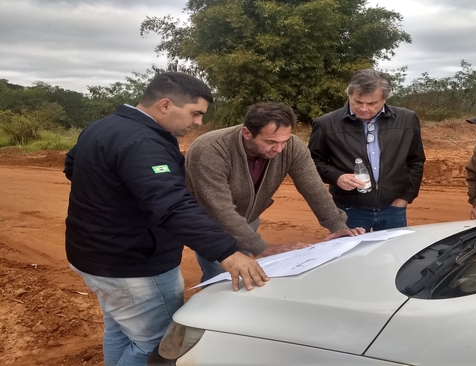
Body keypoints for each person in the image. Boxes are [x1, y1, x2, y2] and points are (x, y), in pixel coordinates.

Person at [64, 72, 268, 366]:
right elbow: (173, 205)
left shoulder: (103, 127)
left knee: (121, 329)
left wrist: (114, 197)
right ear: (165, 105)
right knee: (155, 343)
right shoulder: (143, 143)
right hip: (133, 265)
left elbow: (73, 167)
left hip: (94, 255)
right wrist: (227, 252)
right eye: (195, 113)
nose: (198, 122)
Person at [185, 102, 365, 282]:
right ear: (247, 133)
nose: (279, 149)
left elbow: (314, 189)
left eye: (283, 141)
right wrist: (264, 248)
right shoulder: (210, 150)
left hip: (248, 218)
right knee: (222, 277)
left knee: (244, 268)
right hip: (211, 224)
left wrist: (338, 226)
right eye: (271, 142)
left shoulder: (292, 147)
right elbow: (219, 209)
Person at [308, 69, 426, 232]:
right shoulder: (325, 124)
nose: (363, 108)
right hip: (349, 208)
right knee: (351, 256)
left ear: (385, 99)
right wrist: (337, 177)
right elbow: (313, 162)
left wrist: (406, 197)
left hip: (393, 208)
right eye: (357, 101)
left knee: (392, 255)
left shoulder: (407, 119)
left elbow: (415, 160)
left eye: (371, 103)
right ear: (349, 95)